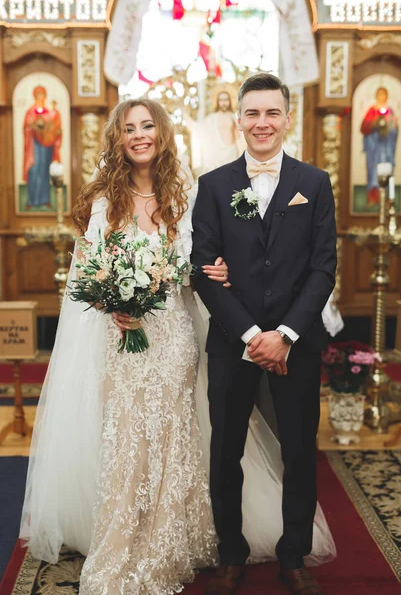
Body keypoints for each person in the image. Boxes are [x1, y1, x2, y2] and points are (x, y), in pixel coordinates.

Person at [20, 97, 335, 595]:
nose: (140, 135)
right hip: (122, 338)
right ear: (118, 139)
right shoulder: (103, 201)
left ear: (162, 133)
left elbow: (198, 263)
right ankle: (125, 540)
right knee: (126, 438)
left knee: (174, 434)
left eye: (148, 125)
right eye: (130, 128)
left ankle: (173, 539)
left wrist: (218, 269)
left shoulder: (185, 194)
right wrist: (112, 304)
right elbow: (85, 274)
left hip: (173, 336)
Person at [191, 73, 337, 595]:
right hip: (234, 343)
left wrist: (287, 334)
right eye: (252, 113)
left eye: (271, 112)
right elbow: (201, 269)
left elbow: (324, 269)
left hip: (296, 344)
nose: (262, 122)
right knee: (225, 452)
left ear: (287, 118)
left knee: (299, 451)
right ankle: (230, 553)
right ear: (239, 120)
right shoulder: (213, 186)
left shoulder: (315, 184)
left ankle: (293, 555)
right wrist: (255, 334)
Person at [185, 90, 244, 176]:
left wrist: (240, 155)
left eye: (226, 100)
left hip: (231, 153)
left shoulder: (234, 118)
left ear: (230, 101)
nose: (224, 103)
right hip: (216, 155)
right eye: (221, 100)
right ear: (217, 102)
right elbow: (199, 129)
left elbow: (239, 138)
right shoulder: (211, 119)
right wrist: (186, 117)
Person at [23, 86, 62, 209]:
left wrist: (52, 129)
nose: (40, 97)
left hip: (46, 147)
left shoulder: (50, 112)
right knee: (34, 171)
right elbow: (26, 127)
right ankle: (32, 200)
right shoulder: (30, 111)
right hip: (34, 147)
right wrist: (33, 127)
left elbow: (54, 127)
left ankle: (45, 199)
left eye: (42, 94)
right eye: (38, 94)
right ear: (35, 96)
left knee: (45, 171)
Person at [360, 86, 398, 206]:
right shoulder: (372, 110)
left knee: (386, 170)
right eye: (380, 94)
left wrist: (391, 125)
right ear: (377, 96)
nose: (382, 97)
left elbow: (394, 131)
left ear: (386, 96)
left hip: (386, 148)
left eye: (384, 95)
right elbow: (364, 128)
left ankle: (387, 198)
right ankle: (373, 198)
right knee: (373, 171)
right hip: (374, 148)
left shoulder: (390, 111)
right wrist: (374, 123)